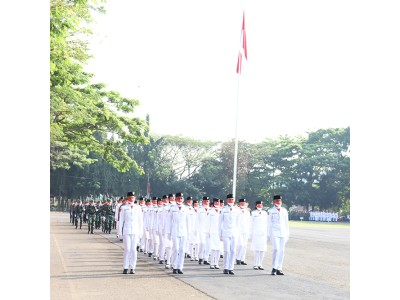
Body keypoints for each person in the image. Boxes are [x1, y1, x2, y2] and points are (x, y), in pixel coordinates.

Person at [118, 192, 143, 274]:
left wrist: (141, 232)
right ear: (127, 198)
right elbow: (121, 221)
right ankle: (125, 267)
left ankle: (132, 267)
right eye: (130, 197)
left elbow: (140, 221)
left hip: (135, 231)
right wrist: (119, 233)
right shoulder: (124, 208)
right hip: (127, 230)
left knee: (133, 250)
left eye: (133, 197)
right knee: (127, 249)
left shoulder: (138, 208)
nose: (132, 199)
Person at [167, 192, 190, 274]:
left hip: (183, 231)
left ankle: (180, 267)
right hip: (175, 231)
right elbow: (169, 221)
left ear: (183, 199)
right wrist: (168, 232)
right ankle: (174, 266)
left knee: (182, 250)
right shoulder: (172, 208)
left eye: (181, 198)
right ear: (176, 199)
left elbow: (188, 222)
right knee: (176, 249)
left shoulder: (186, 208)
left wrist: (188, 232)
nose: (180, 199)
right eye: (178, 198)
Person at [267, 195, 289, 275]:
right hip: (274, 232)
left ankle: (279, 268)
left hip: (283, 232)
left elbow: (286, 223)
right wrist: (268, 235)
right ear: (273, 201)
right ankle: (274, 267)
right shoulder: (271, 211)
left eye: (279, 200)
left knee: (282, 251)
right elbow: (268, 223)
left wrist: (287, 234)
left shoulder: (284, 210)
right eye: (276, 201)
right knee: (276, 249)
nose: (278, 202)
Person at [219, 194, 240, 275]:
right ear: (227, 200)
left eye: (232, 199)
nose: (231, 201)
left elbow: (238, 223)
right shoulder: (223, 210)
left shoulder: (236, 210)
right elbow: (220, 223)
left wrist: (237, 233)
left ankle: (231, 268)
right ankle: (225, 267)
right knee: (227, 251)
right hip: (226, 232)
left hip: (234, 233)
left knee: (233, 251)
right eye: (230, 199)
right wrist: (220, 234)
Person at [249, 200, 268, 270]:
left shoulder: (265, 213)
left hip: (263, 233)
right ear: (256, 206)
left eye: (261, 205)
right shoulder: (253, 213)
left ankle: (260, 264)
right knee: (256, 250)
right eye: (258, 205)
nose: (260, 206)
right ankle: (255, 264)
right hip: (256, 233)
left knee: (262, 250)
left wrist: (267, 234)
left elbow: (267, 224)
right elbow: (251, 224)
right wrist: (251, 234)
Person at [236, 198, 251, 265]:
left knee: (244, 246)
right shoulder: (236, 211)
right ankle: (238, 258)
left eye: (244, 203)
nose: (243, 204)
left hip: (246, 230)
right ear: (239, 204)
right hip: (239, 230)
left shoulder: (247, 212)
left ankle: (242, 259)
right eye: (241, 203)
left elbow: (249, 222)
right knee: (240, 245)